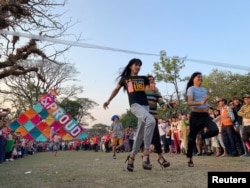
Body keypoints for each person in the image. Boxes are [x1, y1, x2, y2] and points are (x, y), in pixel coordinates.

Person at [103, 58, 155, 172]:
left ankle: (131, 158)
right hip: (135, 105)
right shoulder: (125, 79)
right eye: (136, 65)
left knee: (140, 134)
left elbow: (152, 89)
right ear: (131, 66)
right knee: (152, 121)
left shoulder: (143, 78)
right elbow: (116, 90)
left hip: (145, 106)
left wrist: (152, 84)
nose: (138, 67)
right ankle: (146, 154)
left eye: (140, 65)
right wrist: (108, 100)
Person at [185, 72, 219, 167]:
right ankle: (190, 158)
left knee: (215, 130)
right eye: (198, 76)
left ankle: (201, 136)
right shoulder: (191, 89)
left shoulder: (204, 90)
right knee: (191, 138)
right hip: (195, 115)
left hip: (205, 115)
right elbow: (189, 102)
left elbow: (205, 103)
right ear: (193, 79)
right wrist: (201, 102)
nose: (200, 78)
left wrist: (207, 106)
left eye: (201, 77)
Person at [144, 74, 170, 169]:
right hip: (144, 117)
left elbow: (161, 103)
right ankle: (146, 159)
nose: (152, 81)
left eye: (153, 80)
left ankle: (160, 158)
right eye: (150, 80)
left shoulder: (156, 90)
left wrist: (168, 106)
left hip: (154, 117)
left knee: (156, 138)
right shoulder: (142, 90)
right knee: (146, 138)